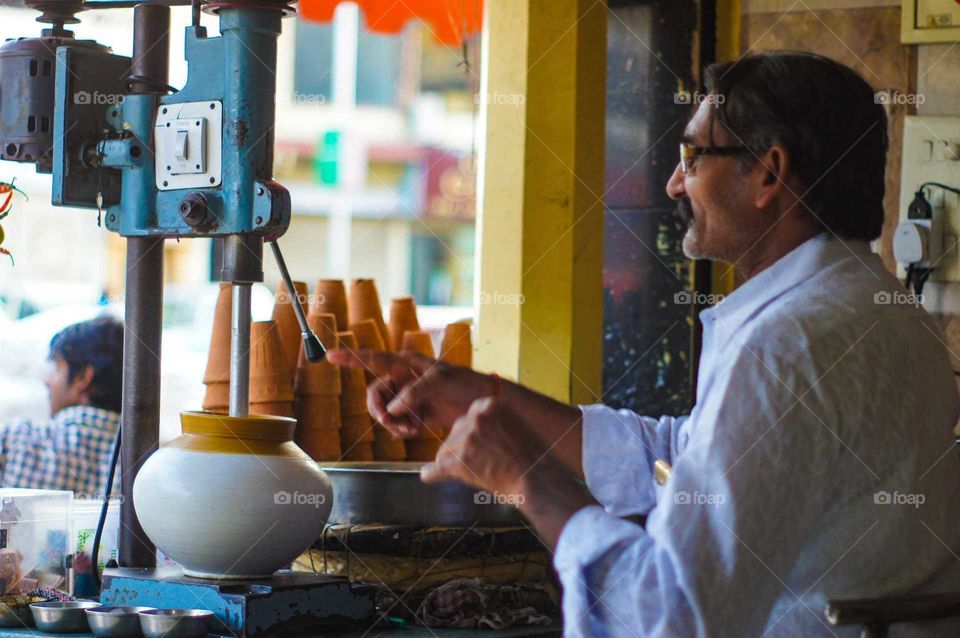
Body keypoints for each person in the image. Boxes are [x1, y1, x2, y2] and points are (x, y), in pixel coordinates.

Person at [329, 51, 960, 637]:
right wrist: (486, 396)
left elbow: (672, 616)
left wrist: (527, 480)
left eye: (693, 156)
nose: (674, 184)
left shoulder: (784, 347)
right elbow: (682, 460)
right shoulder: (883, 311)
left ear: (768, 173)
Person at [0, 316, 123, 495]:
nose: (47, 380)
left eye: (57, 368)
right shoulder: (144, 461)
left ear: (82, 378)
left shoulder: (15, 440)